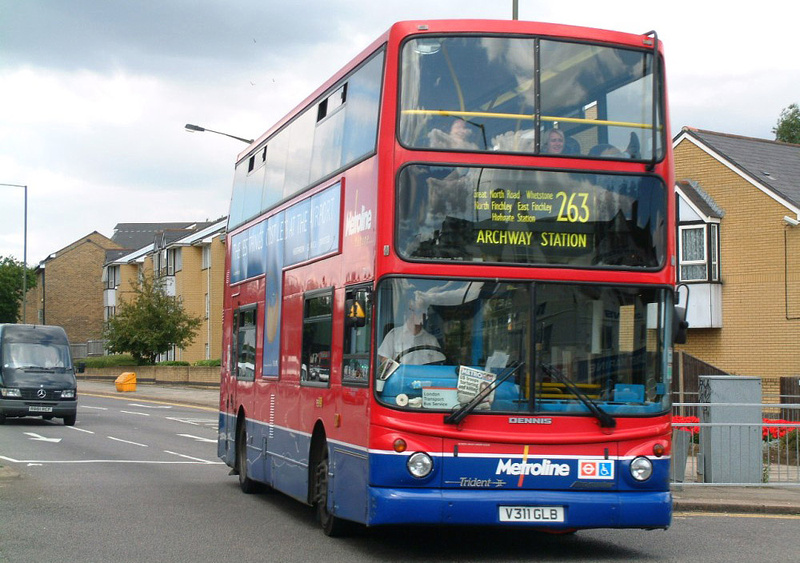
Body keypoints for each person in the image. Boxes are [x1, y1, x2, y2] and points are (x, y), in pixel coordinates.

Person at [377, 303, 446, 365]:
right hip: (401, 377)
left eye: (423, 313)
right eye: (418, 312)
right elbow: (384, 359)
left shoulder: (431, 340)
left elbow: (438, 364)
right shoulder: (394, 335)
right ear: (408, 313)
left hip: (424, 377)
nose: (421, 315)